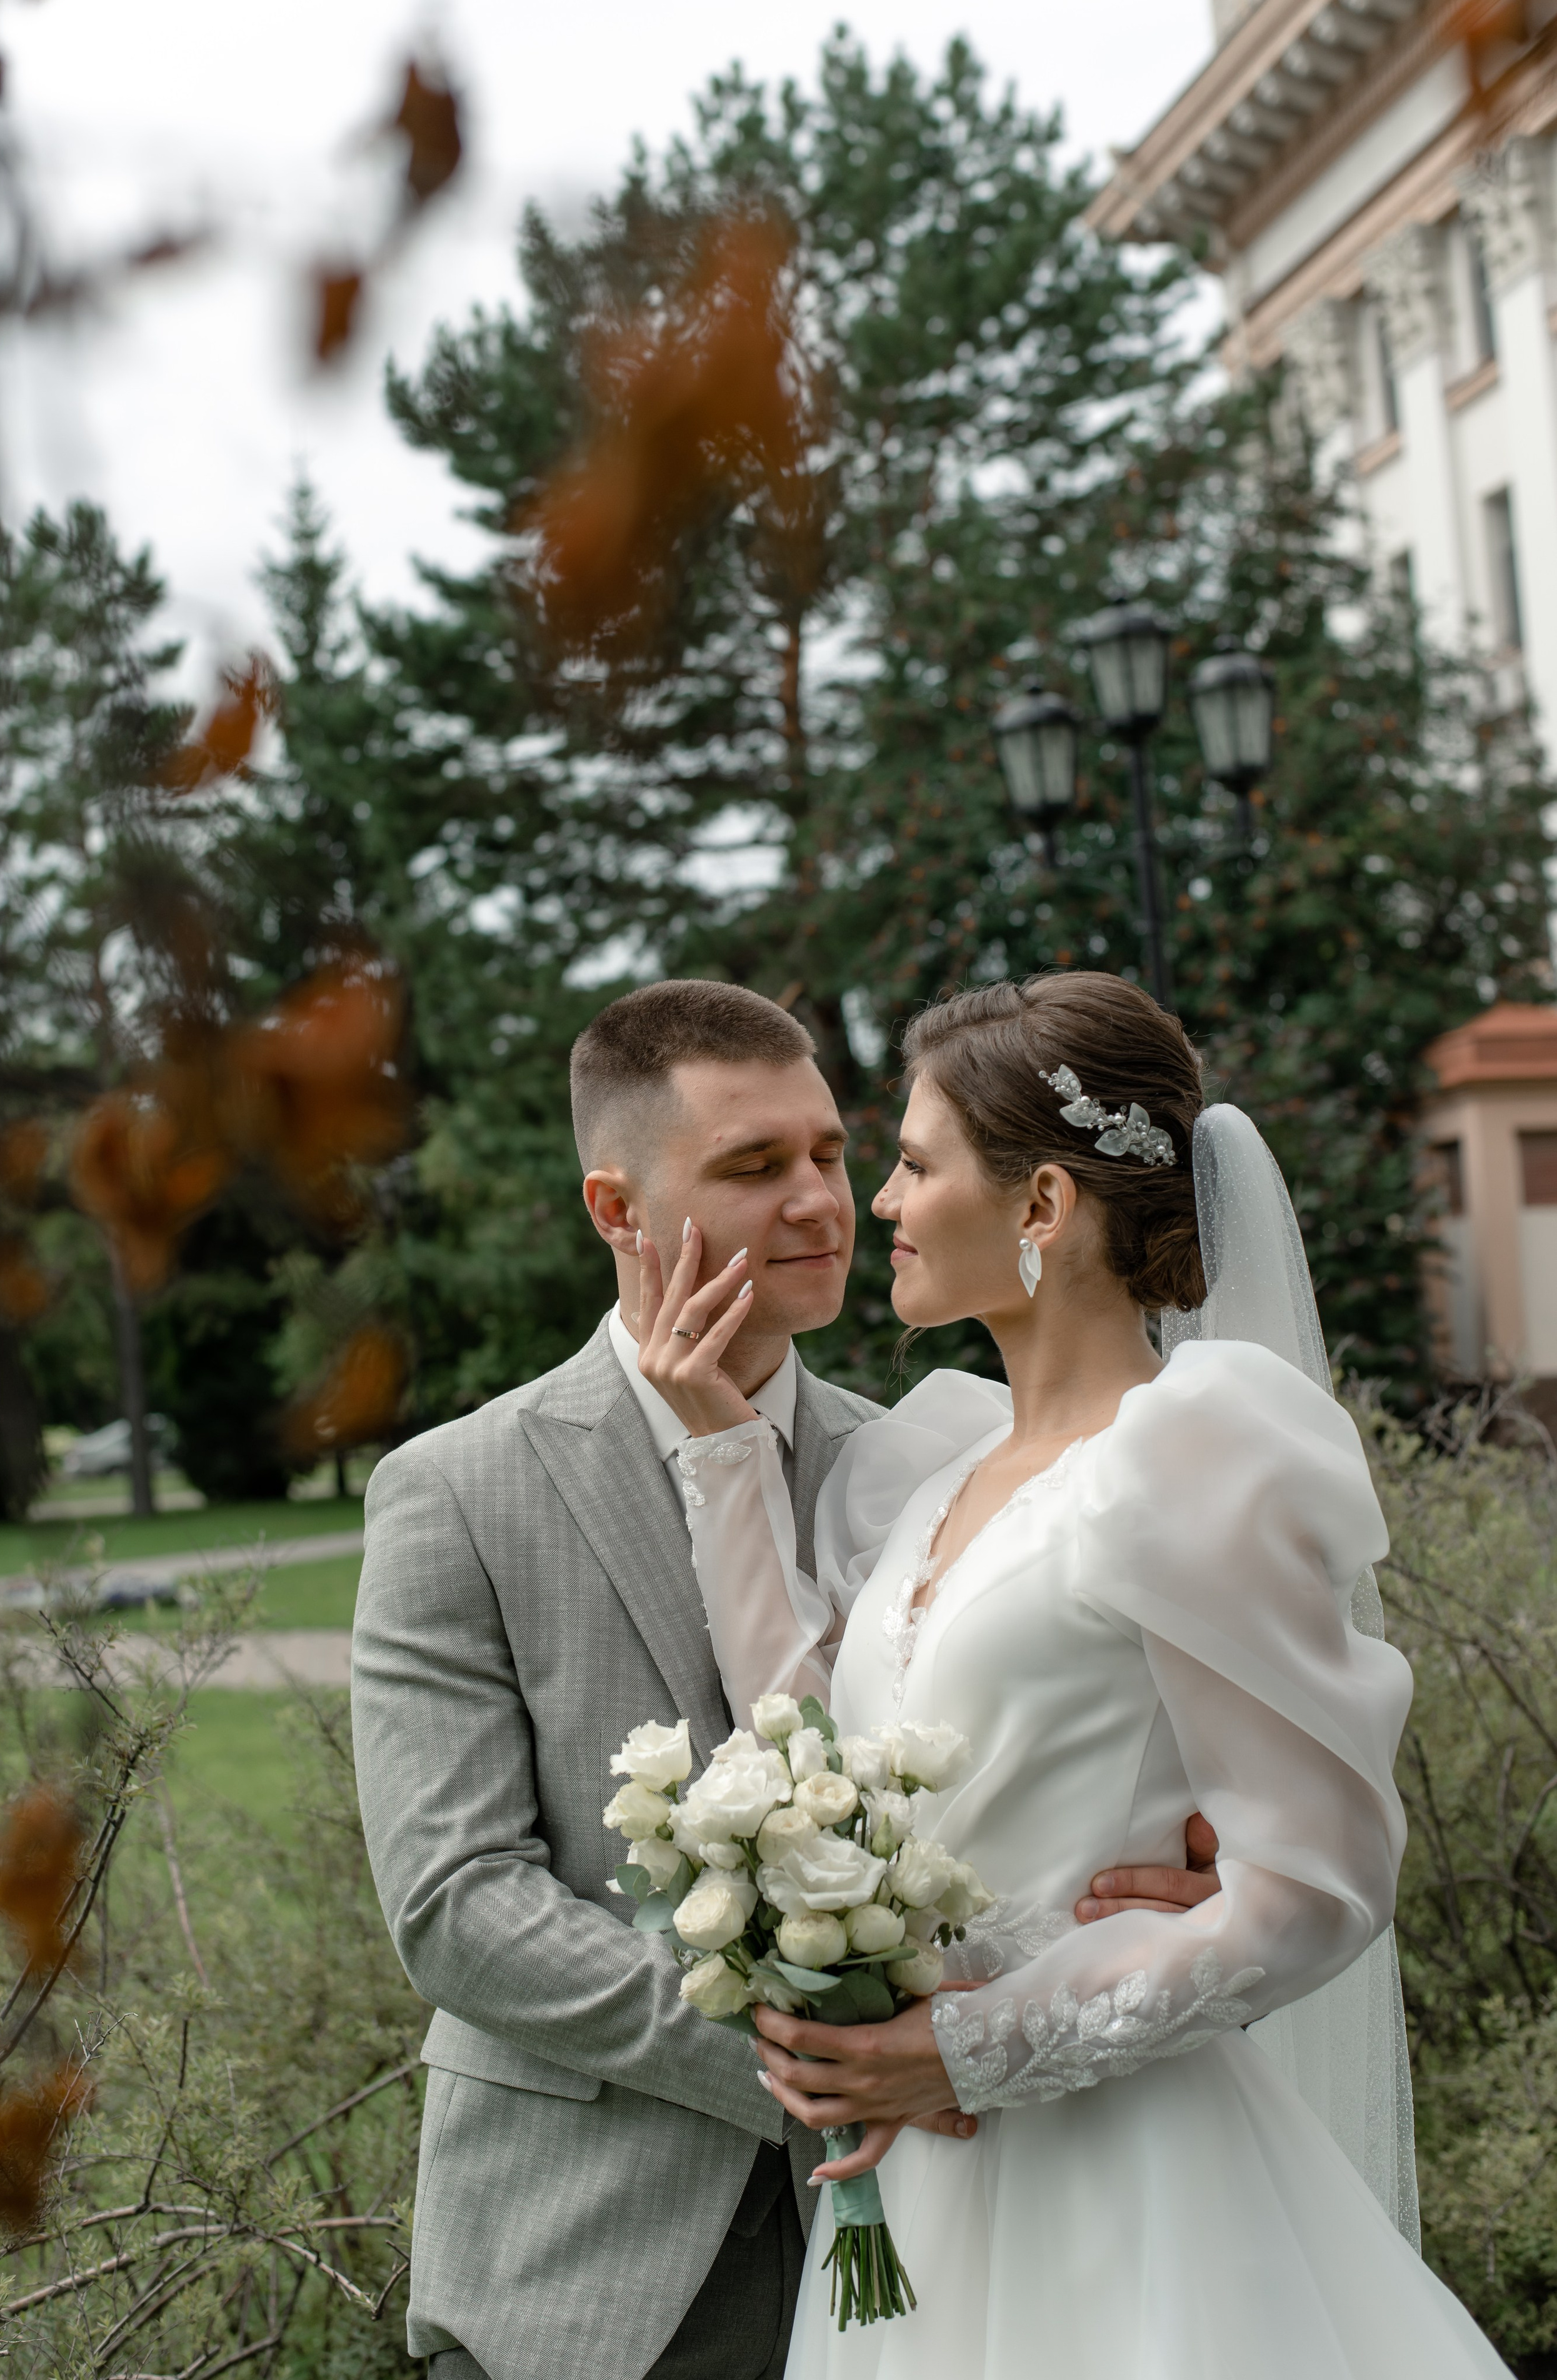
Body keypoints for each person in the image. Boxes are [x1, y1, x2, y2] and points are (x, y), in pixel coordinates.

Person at [638, 971, 1513, 2379]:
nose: (882, 1206)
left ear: (1041, 1207)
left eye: (913, 1166)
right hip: (925, 2194)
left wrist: (972, 2045)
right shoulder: (917, 1477)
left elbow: (1317, 1883)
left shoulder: (1186, 1458)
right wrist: (723, 1455)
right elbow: (817, 1753)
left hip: (1130, 2186)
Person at [350, 977, 1218, 2380]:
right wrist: (824, 2054)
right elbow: (458, 1908)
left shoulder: (931, 1466)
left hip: (955, 2248)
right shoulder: (455, 1492)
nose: (822, 1201)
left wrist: (1170, 1878)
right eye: (754, 1168)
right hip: (588, 2267)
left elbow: (1072, 1763)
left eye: (830, 1152)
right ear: (614, 1211)